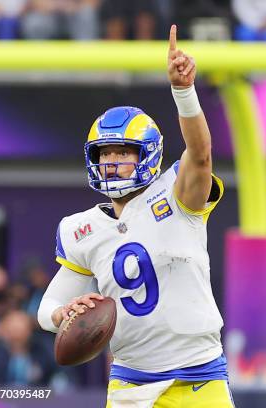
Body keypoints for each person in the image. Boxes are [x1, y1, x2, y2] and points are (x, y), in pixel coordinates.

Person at [37, 25, 234, 407]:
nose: (111, 162)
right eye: (105, 154)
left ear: (147, 154)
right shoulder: (82, 229)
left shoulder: (177, 196)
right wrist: (64, 314)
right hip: (131, 385)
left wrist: (184, 92)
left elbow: (201, 154)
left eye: (122, 152)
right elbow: (47, 308)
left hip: (198, 377)